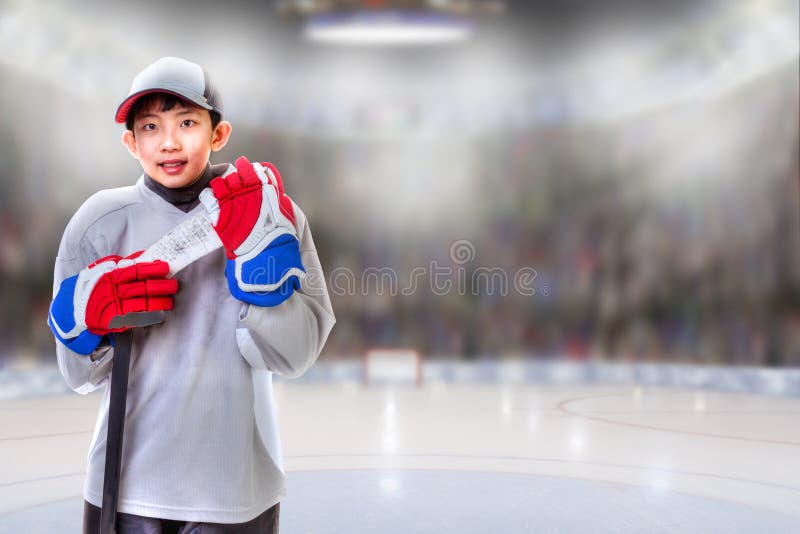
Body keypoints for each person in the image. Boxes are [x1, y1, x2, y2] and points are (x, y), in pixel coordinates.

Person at [47, 56, 336, 533]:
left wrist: (266, 293)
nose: (169, 142)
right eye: (150, 127)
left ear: (218, 134)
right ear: (131, 142)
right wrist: (85, 326)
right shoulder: (97, 222)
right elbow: (76, 374)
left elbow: (297, 355)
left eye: (186, 122)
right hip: (123, 488)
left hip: (236, 491)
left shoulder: (272, 212)